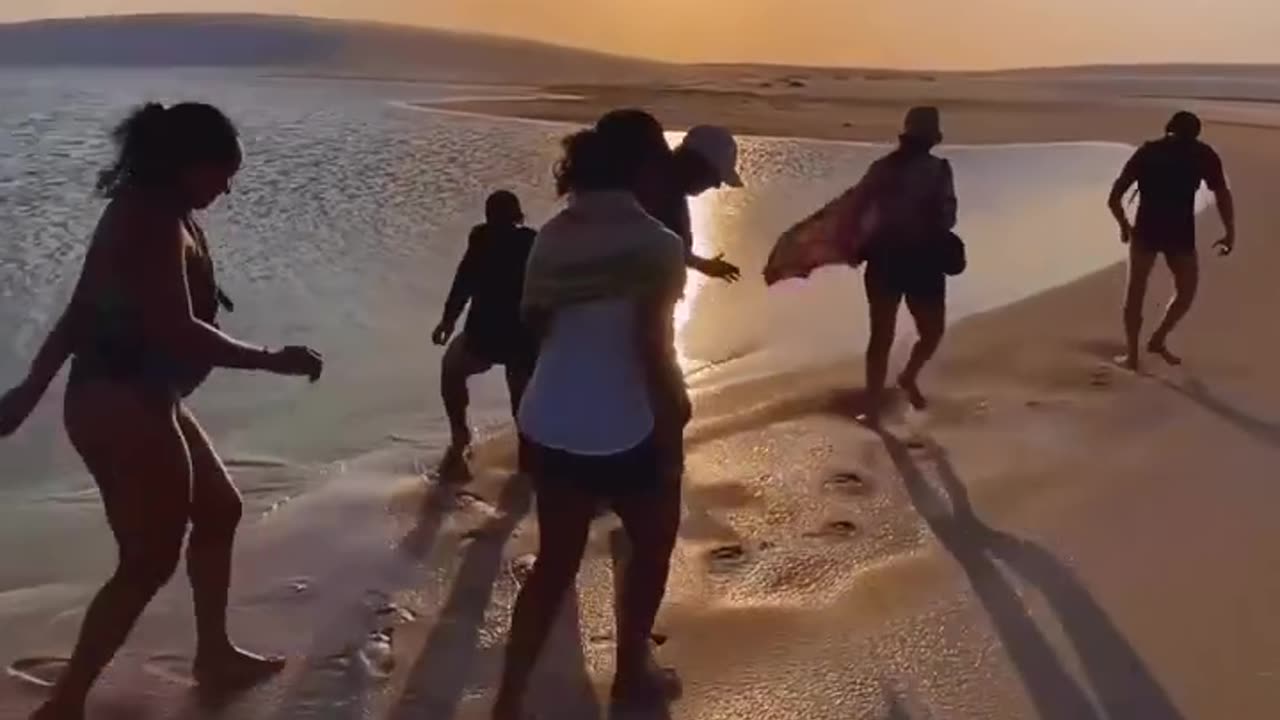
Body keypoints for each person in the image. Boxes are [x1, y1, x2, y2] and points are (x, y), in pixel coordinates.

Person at [0, 102, 323, 720]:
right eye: (221, 174)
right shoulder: (147, 217)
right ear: (185, 164)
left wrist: (31, 389)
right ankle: (65, 704)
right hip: (122, 406)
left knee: (220, 510)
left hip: (141, 399)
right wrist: (272, 359)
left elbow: (80, 310)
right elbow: (179, 330)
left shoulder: (159, 209)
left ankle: (214, 655)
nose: (226, 188)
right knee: (146, 562)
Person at [492, 111, 688, 719]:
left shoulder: (552, 236)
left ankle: (508, 702)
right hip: (625, 425)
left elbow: (538, 327)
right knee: (653, 542)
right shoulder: (658, 245)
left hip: (551, 418)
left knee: (555, 563)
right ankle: (631, 670)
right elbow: (651, 350)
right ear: (647, 167)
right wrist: (675, 421)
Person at [848, 106, 958, 424]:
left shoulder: (940, 170)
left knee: (932, 331)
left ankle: (907, 377)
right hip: (889, 259)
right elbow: (857, 209)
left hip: (921, 261)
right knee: (882, 335)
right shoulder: (883, 169)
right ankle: (871, 406)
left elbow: (948, 215)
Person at [1108, 110, 1236, 371]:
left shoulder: (1152, 152)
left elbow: (1114, 197)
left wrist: (1124, 226)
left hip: (1152, 232)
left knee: (1139, 291)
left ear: (1169, 128)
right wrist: (1229, 230)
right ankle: (1149, 344)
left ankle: (1140, 351)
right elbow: (1222, 194)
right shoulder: (1201, 154)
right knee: (1182, 292)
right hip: (1172, 233)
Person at [431, 190, 537, 468]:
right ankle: (526, 456)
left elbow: (462, 282)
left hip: (488, 336)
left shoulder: (482, 238)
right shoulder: (531, 241)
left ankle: (460, 434)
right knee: (520, 401)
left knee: (451, 368)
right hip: (518, 337)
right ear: (518, 216)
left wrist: (448, 321)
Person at [600, 110, 743, 282]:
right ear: (699, 166)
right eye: (715, 177)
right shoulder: (658, 191)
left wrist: (700, 264)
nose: (716, 185)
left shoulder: (667, 189)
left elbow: (669, 246)